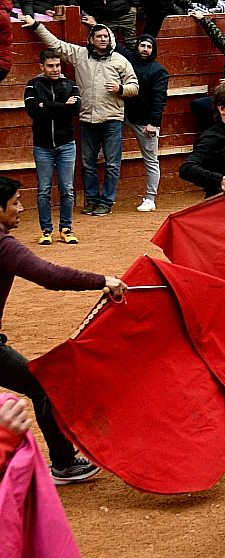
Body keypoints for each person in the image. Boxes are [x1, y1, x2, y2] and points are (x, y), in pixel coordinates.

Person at [0, 176, 128, 483]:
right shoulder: (3, 246)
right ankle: (64, 463)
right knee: (42, 385)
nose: (21, 208)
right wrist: (102, 281)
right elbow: (48, 275)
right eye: (15, 202)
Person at [26, 17, 137, 218]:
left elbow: (134, 86)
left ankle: (107, 201)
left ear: (110, 39)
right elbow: (55, 45)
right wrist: (36, 26)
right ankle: (93, 200)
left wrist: (121, 89)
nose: (103, 40)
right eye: (99, 36)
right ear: (91, 39)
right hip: (87, 119)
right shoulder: (80, 55)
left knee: (112, 164)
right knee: (88, 163)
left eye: (106, 36)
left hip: (112, 118)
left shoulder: (120, 60)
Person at [24, 48, 79, 245]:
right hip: (43, 146)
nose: (55, 69)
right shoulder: (32, 86)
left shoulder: (70, 85)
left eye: (57, 65)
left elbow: (75, 109)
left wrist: (45, 105)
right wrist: (63, 106)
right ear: (42, 67)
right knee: (44, 190)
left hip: (66, 145)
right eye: (50, 66)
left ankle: (66, 229)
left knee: (67, 188)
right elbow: (32, 110)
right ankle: (46, 231)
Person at [116, 34, 166, 213]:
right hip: (125, 114)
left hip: (145, 122)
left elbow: (159, 99)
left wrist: (153, 123)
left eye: (149, 47)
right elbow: (115, 43)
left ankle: (150, 198)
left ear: (153, 50)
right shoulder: (130, 59)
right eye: (142, 45)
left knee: (151, 160)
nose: (145, 49)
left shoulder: (158, 70)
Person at [180, 82, 225, 199]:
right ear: (222, 109)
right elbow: (187, 169)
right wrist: (220, 181)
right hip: (220, 206)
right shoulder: (212, 138)